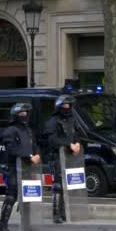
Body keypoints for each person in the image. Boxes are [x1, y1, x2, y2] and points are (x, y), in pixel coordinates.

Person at [0, 103, 40, 231]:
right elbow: (12, 149)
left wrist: (37, 154)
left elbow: (34, 145)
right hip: (13, 167)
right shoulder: (10, 130)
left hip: (27, 168)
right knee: (11, 196)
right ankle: (2, 226)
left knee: (27, 197)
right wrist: (28, 156)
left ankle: (26, 225)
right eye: (22, 114)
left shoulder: (28, 130)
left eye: (26, 113)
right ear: (16, 115)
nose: (25, 116)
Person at [44, 95, 82, 224]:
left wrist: (77, 143)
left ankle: (65, 212)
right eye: (64, 106)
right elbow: (52, 140)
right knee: (58, 185)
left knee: (69, 185)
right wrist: (67, 144)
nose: (67, 108)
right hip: (57, 156)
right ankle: (56, 213)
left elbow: (76, 134)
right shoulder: (53, 121)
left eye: (69, 106)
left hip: (70, 156)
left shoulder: (72, 120)